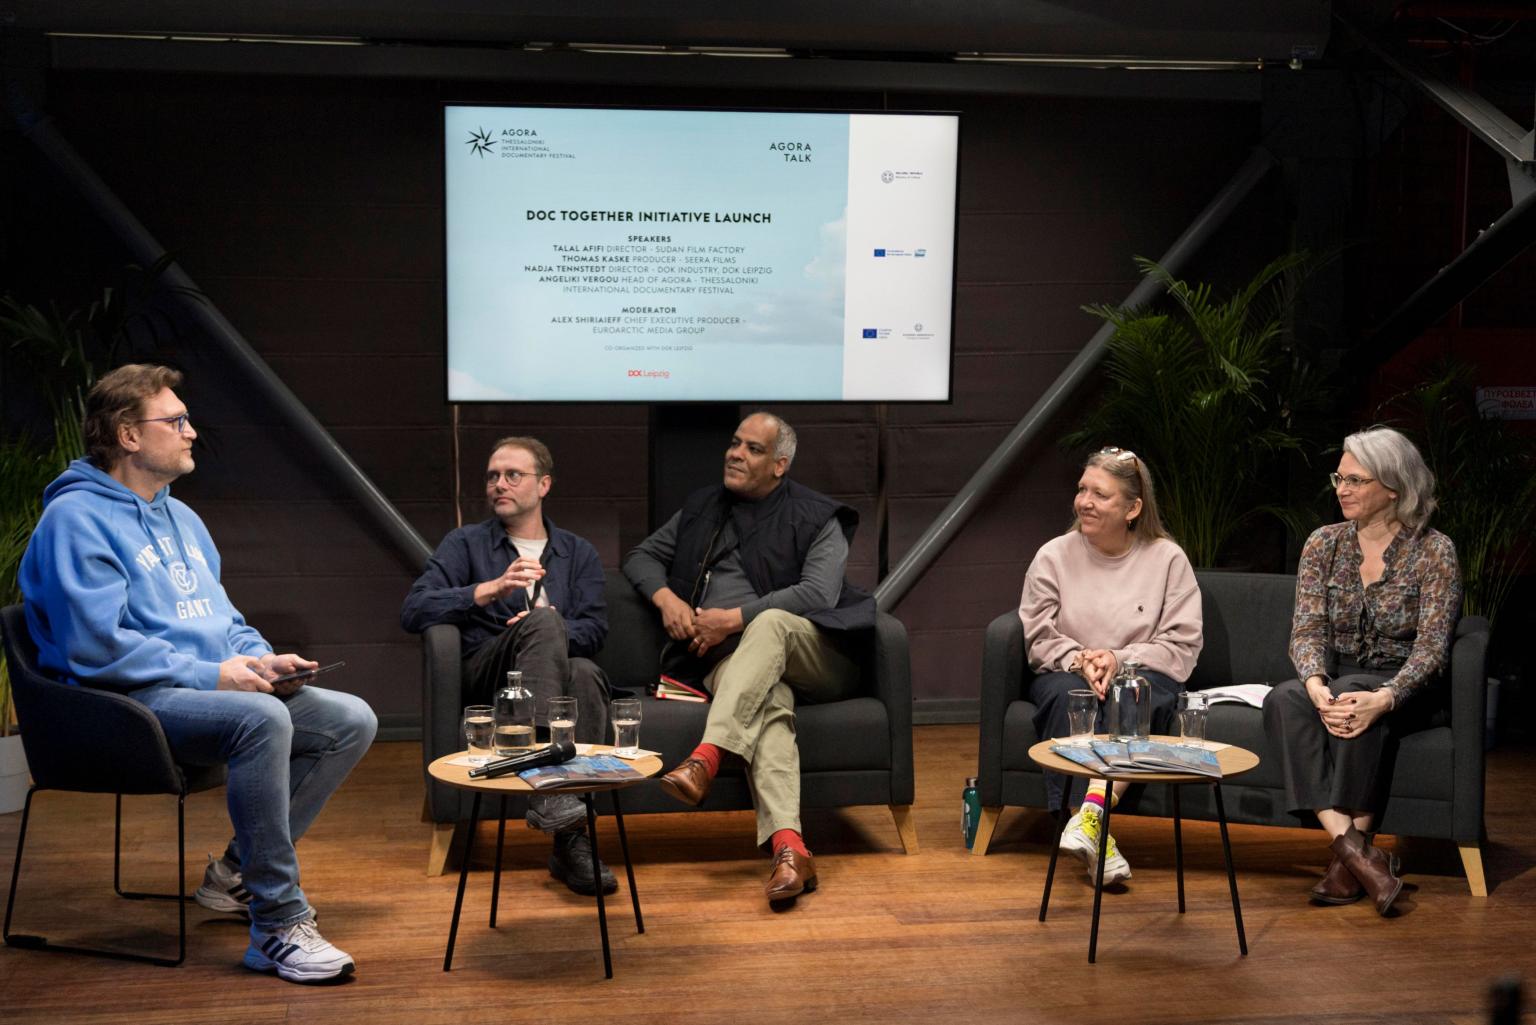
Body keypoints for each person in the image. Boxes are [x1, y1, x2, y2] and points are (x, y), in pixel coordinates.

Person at [18, 364, 377, 984]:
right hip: (120, 704)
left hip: (193, 687)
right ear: (128, 436)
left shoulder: (182, 520)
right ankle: (276, 924)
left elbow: (224, 621)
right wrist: (214, 675)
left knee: (350, 718)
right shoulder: (74, 520)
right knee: (261, 720)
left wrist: (259, 658)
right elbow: (98, 650)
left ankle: (237, 874)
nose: (190, 432)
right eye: (175, 420)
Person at [622, 412, 876, 904]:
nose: (735, 453)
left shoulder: (820, 517)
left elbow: (818, 593)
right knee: (770, 705)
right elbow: (640, 556)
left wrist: (733, 618)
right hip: (736, 667)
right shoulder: (703, 508)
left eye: (752, 449)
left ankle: (706, 756)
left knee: (771, 622)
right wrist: (667, 600)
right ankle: (791, 850)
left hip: (818, 653)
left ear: (780, 465)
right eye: (734, 443)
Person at [400, 436, 615, 895]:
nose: (499, 484)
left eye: (512, 475)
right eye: (493, 476)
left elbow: (595, 630)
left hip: (554, 676)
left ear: (544, 485)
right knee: (544, 625)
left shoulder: (577, 553)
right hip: (491, 673)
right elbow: (413, 609)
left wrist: (549, 627)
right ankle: (544, 772)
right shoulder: (465, 543)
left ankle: (571, 839)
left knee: (583, 673)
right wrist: (488, 590)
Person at [1262, 427, 1459, 915]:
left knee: (1355, 691)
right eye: (1339, 478)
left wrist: (1386, 696)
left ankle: (1347, 860)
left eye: (1355, 480)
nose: (1341, 489)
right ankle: (1357, 853)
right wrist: (1314, 685)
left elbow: (1433, 649)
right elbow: (1306, 631)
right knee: (1282, 699)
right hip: (1340, 678)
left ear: (1393, 487)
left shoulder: (1435, 551)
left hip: (1405, 685)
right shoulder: (1322, 544)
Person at [1018, 447, 1203, 886]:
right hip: (1069, 670)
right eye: (1082, 489)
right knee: (1069, 695)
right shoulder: (1053, 556)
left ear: (1133, 508)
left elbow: (1182, 644)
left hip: (1140, 673)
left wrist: (1118, 659)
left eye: (1100, 494)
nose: (1084, 501)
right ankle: (1095, 832)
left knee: (1136, 691)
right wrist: (1081, 660)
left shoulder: (1167, 559)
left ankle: (1087, 818)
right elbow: (1037, 636)